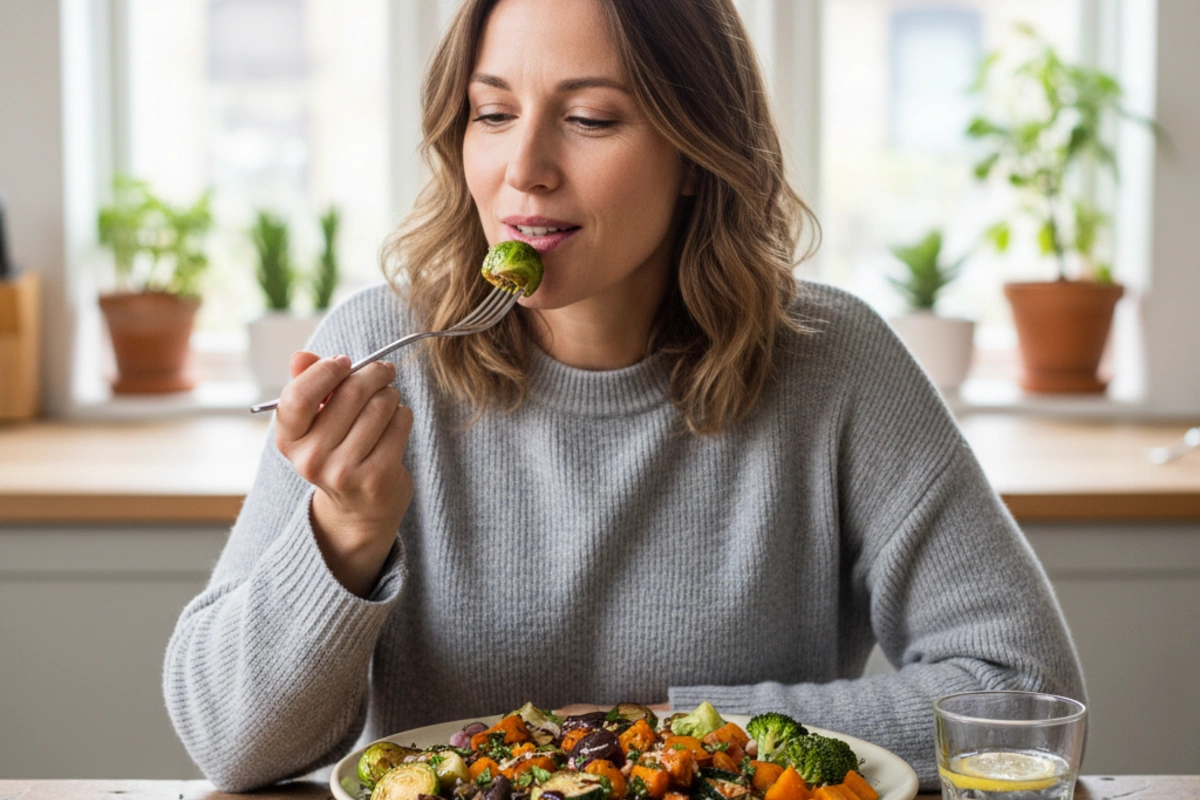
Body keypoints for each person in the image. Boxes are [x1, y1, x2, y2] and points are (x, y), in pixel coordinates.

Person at [163, 0, 1086, 793]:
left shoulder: (834, 364)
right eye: (492, 112)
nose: (524, 168)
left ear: (697, 150)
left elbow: (1021, 695)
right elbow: (229, 740)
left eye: (592, 119)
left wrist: (660, 731)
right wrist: (345, 537)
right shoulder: (378, 353)